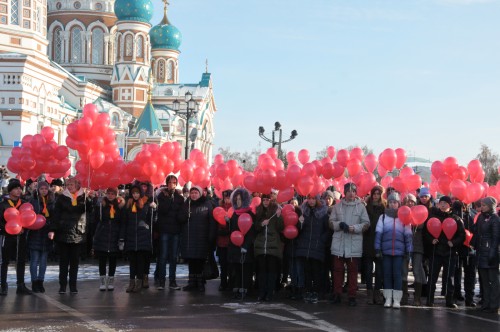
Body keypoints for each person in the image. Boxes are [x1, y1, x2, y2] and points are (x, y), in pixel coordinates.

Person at [48, 177, 93, 294]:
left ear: (77, 185)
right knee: (63, 262)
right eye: (68, 184)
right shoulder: (62, 198)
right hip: (63, 233)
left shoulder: (83, 197)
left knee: (74, 262)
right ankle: (62, 286)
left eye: (72, 184)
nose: (69, 186)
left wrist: (88, 198)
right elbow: (56, 215)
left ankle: (73, 286)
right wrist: (53, 229)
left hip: (78, 233)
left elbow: (90, 210)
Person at [329, 182, 370, 306]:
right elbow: (331, 222)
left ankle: (352, 296)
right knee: (337, 271)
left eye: (353, 191)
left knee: (353, 272)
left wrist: (354, 228)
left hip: (353, 244)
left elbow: (366, 223)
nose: (351, 194)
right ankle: (337, 294)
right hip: (339, 243)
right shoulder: (337, 207)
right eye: (349, 191)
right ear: (344, 193)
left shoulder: (361, 207)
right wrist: (339, 225)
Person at [424, 195, 465, 308]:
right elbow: (425, 233)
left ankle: (449, 300)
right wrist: (431, 240)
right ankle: (429, 299)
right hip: (435, 251)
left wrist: (454, 242)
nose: (442, 205)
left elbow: (462, 235)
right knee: (432, 276)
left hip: (450, 252)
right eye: (441, 203)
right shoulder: (432, 217)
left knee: (449, 278)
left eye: (445, 203)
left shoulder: (456, 218)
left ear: (449, 206)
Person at [375, 193, 413, 309]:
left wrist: (409, 251)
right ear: (388, 203)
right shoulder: (383, 217)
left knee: (397, 275)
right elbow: (378, 234)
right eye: (390, 202)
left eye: (395, 202)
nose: (392, 204)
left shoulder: (404, 217)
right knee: (387, 275)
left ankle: (396, 299)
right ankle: (388, 298)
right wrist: (377, 248)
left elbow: (408, 236)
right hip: (386, 252)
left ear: (399, 204)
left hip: (399, 253)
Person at [178, 186, 217, 292]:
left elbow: (212, 222)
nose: (194, 195)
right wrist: (185, 215)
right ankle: (191, 283)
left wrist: (211, 237)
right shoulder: (187, 204)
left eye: (196, 193)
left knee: (200, 261)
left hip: (202, 239)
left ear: (200, 194)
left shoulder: (207, 204)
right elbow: (180, 218)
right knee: (191, 261)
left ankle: (200, 283)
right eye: (192, 193)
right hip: (189, 238)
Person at [294, 194, 329, 303]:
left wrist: (321, 240)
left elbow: (327, 230)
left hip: (317, 247)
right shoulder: (304, 212)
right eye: (309, 198)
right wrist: (300, 223)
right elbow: (299, 231)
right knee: (307, 271)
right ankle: (308, 290)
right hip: (305, 247)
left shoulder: (323, 214)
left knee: (316, 271)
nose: (311, 201)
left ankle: (316, 291)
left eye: (313, 198)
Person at [0, 179, 32, 295]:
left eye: (20, 188)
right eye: (16, 188)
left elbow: (29, 218)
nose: (19, 190)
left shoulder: (23, 204)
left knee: (21, 261)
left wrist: (23, 228)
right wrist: (9, 230)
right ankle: (3, 285)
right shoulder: (3, 204)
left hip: (21, 236)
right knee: (4, 261)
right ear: (10, 190)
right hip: (7, 236)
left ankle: (21, 285)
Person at [121, 184, 153, 293]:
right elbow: (124, 222)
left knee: (140, 262)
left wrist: (154, 209)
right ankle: (131, 282)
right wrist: (122, 237)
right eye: (134, 193)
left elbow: (149, 220)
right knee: (132, 262)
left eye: (137, 193)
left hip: (142, 237)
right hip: (131, 237)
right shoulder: (128, 205)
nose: (135, 195)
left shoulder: (145, 205)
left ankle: (139, 282)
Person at [155, 175, 184, 290]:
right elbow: (163, 210)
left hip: (175, 230)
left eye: (174, 182)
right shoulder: (162, 196)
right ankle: (161, 281)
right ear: (167, 184)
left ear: (176, 184)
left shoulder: (180, 198)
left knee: (173, 257)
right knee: (163, 256)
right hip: (165, 230)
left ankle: (172, 281)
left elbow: (181, 214)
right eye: (170, 182)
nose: (172, 184)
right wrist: (169, 198)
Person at [92, 187, 125, 291]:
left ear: (116, 195)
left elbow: (121, 222)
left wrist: (121, 237)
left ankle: (111, 279)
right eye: (109, 193)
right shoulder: (102, 205)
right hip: (103, 233)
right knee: (102, 259)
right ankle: (102, 279)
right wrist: (98, 204)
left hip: (115, 234)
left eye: (112, 194)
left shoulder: (119, 206)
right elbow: (97, 218)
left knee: (112, 259)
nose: (110, 196)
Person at [254, 193, 284, 301]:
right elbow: (255, 227)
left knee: (271, 272)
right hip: (261, 246)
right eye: (264, 200)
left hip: (273, 246)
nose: (266, 202)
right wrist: (262, 224)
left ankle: (269, 293)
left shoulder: (276, 211)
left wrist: (279, 216)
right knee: (261, 272)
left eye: (267, 200)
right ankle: (262, 292)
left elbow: (281, 227)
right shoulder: (258, 211)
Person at [227, 188, 255, 300]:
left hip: (245, 248)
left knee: (245, 269)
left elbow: (251, 232)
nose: (238, 201)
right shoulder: (234, 214)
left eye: (240, 199)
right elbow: (232, 231)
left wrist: (246, 246)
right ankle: (237, 287)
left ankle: (245, 289)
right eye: (236, 199)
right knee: (237, 269)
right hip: (235, 246)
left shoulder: (249, 213)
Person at [473, 197, 499, 313]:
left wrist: (492, 253)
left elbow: (496, 238)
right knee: (484, 281)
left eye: (484, 205)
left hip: (490, 253)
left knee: (493, 280)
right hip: (480, 252)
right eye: (481, 205)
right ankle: (486, 303)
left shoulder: (495, 219)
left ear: (490, 206)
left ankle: (494, 305)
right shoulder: (481, 217)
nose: (481, 207)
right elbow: (477, 233)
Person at [28, 181, 56, 293]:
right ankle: (34, 281)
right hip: (35, 232)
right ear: (38, 190)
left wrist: (52, 229)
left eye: (45, 188)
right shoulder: (33, 202)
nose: (44, 190)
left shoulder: (52, 202)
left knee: (44, 260)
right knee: (34, 259)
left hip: (46, 233)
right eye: (41, 189)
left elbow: (55, 217)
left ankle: (41, 281)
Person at [363, 185, 386, 305]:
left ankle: (377, 293)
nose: (376, 196)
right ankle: (369, 293)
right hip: (368, 241)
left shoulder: (384, 208)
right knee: (368, 270)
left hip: (380, 242)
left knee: (379, 271)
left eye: (378, 194)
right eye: (374, 194)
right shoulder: (366, 208)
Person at [216, 189, 232, 291]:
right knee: (223, 264)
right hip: (221, 241)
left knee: (231, 264)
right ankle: (223, 282)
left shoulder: (234, 208)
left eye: (228, 197)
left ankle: (231, 282)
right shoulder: (219, 208)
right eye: (225, 197)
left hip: (232, 241)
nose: (226, 199)